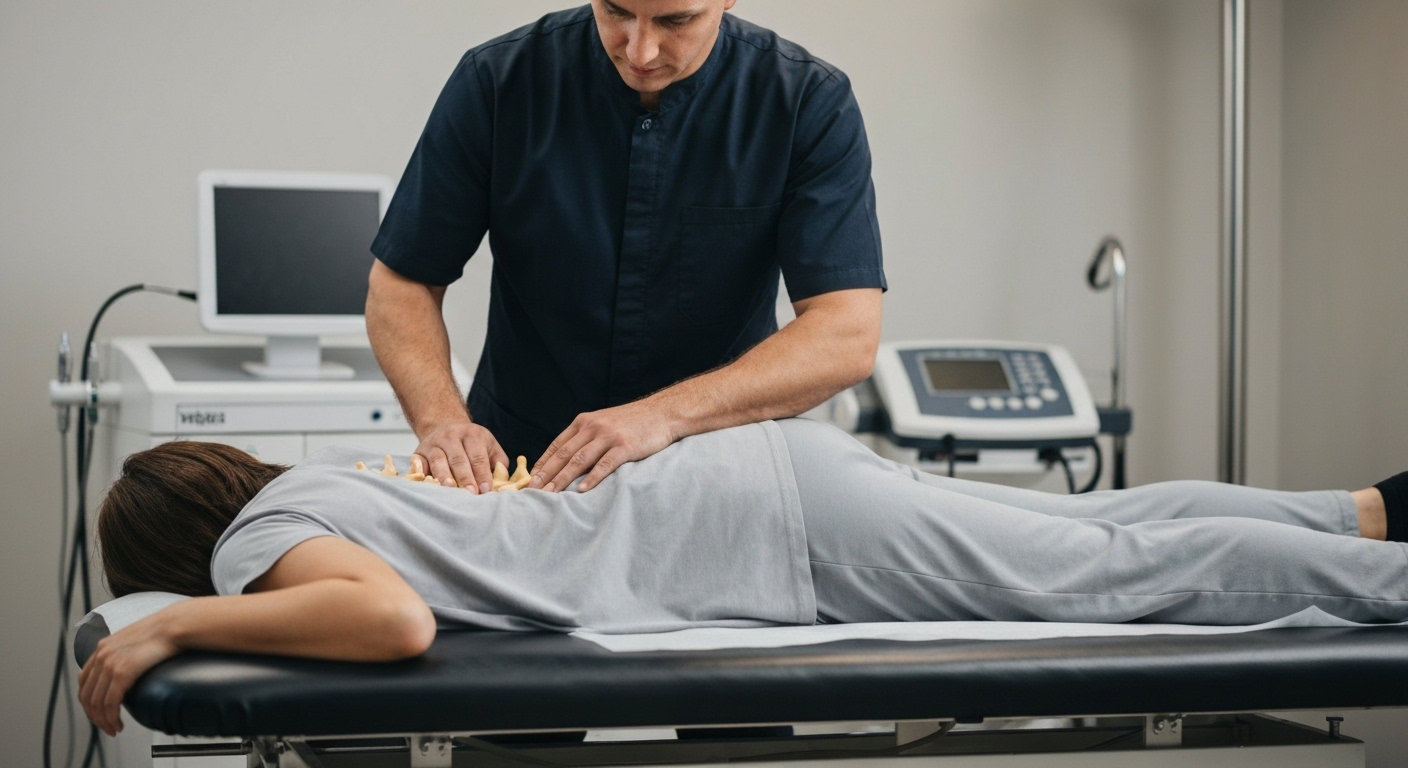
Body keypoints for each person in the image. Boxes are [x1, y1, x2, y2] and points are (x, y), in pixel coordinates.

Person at [82, 420, 1408, 735]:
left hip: (776, 531)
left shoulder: (251, 550)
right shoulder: (311, 487)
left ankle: (1389, 580)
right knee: (1110, 528)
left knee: (1119, 580)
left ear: (174, 547)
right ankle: (1360, 516)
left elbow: (392, 622)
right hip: (766, 486)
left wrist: (169, 627)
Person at [365, 0, 885, 498]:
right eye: (615, 11)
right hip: (520, 471)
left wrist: (662, 415)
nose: (639, 51)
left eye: (675, 20)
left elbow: (845, 333)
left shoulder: (807, 100)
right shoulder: (497, 80)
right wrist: (443, 422)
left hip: (718, 473)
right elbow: (403, 282)